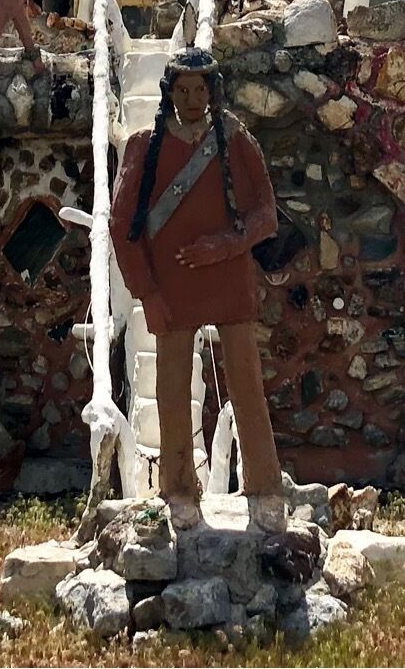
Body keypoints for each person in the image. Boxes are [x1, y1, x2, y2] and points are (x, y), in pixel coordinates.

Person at [110, 49, 285, 529]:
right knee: (170, 390)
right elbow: (122, 226)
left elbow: (265, 214)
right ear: (170, 92)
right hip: (173, 288)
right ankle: (179, 490)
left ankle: (265, 486)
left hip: (229, 280)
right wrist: (148, 294)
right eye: (183, 90)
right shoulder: (144, 148)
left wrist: (227, 245)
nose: (191, 99)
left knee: (247, 385)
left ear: (212, 92)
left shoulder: (233, 141)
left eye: (200, 90)